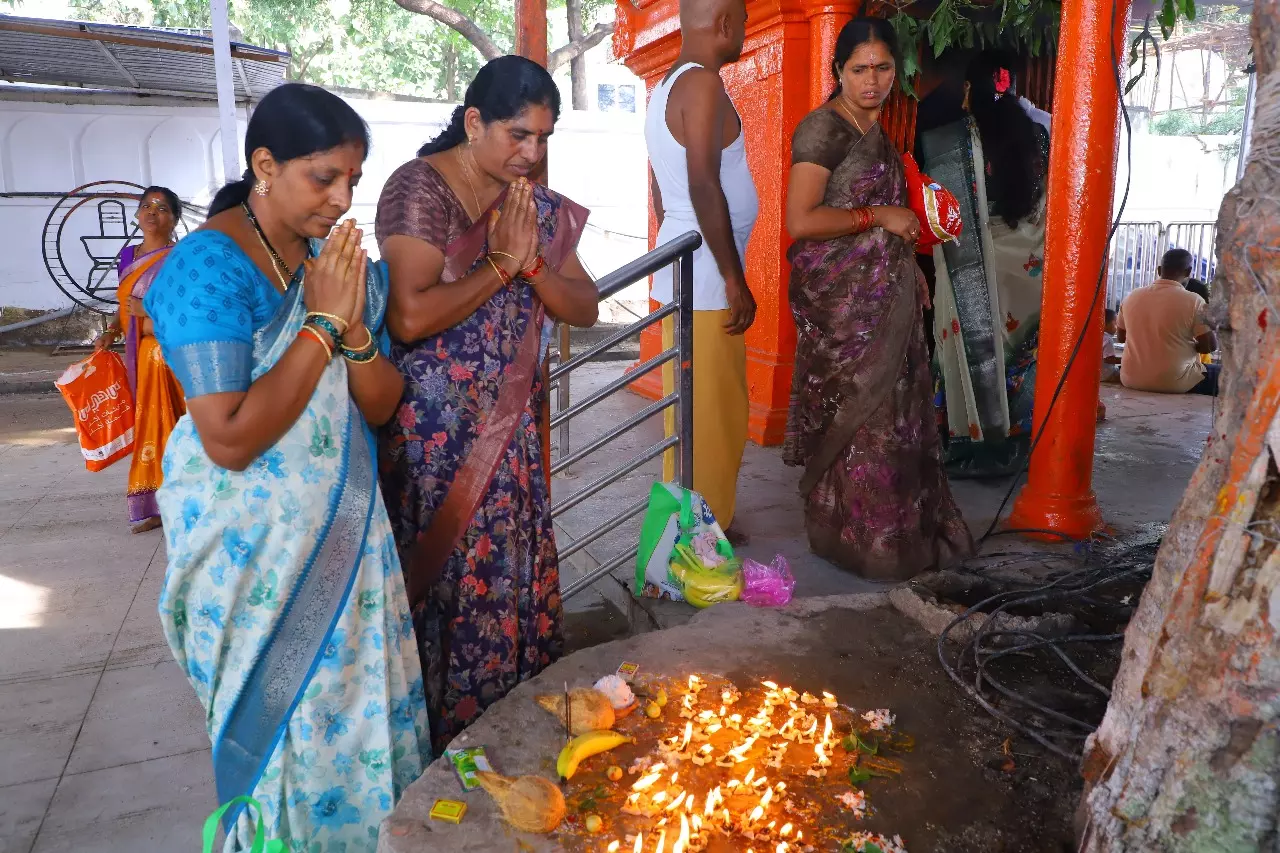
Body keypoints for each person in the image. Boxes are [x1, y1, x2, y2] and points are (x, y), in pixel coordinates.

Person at [143, 83, 429, 850]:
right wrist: (322, 324)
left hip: (347, 543)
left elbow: (381, 404)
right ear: (265, 166)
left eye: (352, 180)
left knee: (357, 721)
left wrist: (353, 332)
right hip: (252, 560)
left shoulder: (333, 263)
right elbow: (230, 436)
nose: (342, 199)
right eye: (323, 178)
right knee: (283, 741)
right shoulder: (207, 268)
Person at [375, 56, 597, 752]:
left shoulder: (530, 205)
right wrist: (500, 265)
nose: (531, 152)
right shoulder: (419, 189)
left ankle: (512, 733)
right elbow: (409, 316)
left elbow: (585, 306)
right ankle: (442, 749)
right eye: (518, 134)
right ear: (474, 122)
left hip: (510, 431)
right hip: (435, 442)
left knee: (508, 578)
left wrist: (532, 265)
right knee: (448, 586)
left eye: (543, 137)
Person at [782, 18, 974, 581]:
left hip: (889, 296)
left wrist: (908, 269)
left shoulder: (877, 129)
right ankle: (855, 540)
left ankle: (897, 539)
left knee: (899, 417)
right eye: (860, 69)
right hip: (844, 305)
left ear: (897, 71)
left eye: (883, 68)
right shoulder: (823, 129)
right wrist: (878, 216)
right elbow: (801, 221)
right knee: (861, 417)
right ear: (838, 70)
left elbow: (894, 221)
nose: (872, 81)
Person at [646, 0, 757, 540]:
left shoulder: (664, 88)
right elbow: (702, 184)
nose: (745, 31)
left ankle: (692, 524)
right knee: (714, 413)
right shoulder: (703, 85)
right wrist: (734, 279)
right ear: (725, 24)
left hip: (683, 265)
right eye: (743, 21)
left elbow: (660, 188)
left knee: (691, 409)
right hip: (708, 278)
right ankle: (704, 537)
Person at [920, 50, 1051, 478]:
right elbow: (1049, 207)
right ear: (1012, 88)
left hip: (966, 264)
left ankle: (967, 442)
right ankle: (1015, 442)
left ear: (968, 90)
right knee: (1018, 356)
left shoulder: (947, 142)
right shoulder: (1041, 135)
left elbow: (940, 213)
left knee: (963, 346)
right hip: (1027, 268)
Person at [94, 187, 187, 533]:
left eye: (162, 208)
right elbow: (124, 306)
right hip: (142, 358)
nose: (152, 212)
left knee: (176, 429)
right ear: (137, 215)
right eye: (146, 206)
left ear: (174, 219)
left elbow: (186, 311)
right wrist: (111, 331)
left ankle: (183, 501)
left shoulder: (181, 258)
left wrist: (147, 309)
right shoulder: (127, 257)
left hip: (171, 357)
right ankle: (157, 505)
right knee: (151, 429)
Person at [1118, 248, 1218, 395]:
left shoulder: (1131, 296)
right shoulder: (1194, 301)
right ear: (1188, 272)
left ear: (1159, 270)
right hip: (1175, 381)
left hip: (1130, 378)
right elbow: (1209, 346)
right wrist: (1184, 345)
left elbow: (1121, 337)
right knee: (1227, 376)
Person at [1102, 308, 1122, 383]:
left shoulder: (1097, 336)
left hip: (1097, 375)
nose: (1117, 327)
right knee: (1126, 372)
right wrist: (1125, 360)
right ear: (1105, 324)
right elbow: (1109, 359)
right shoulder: (1107, 339)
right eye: (1115, 323)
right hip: (1107, 374)